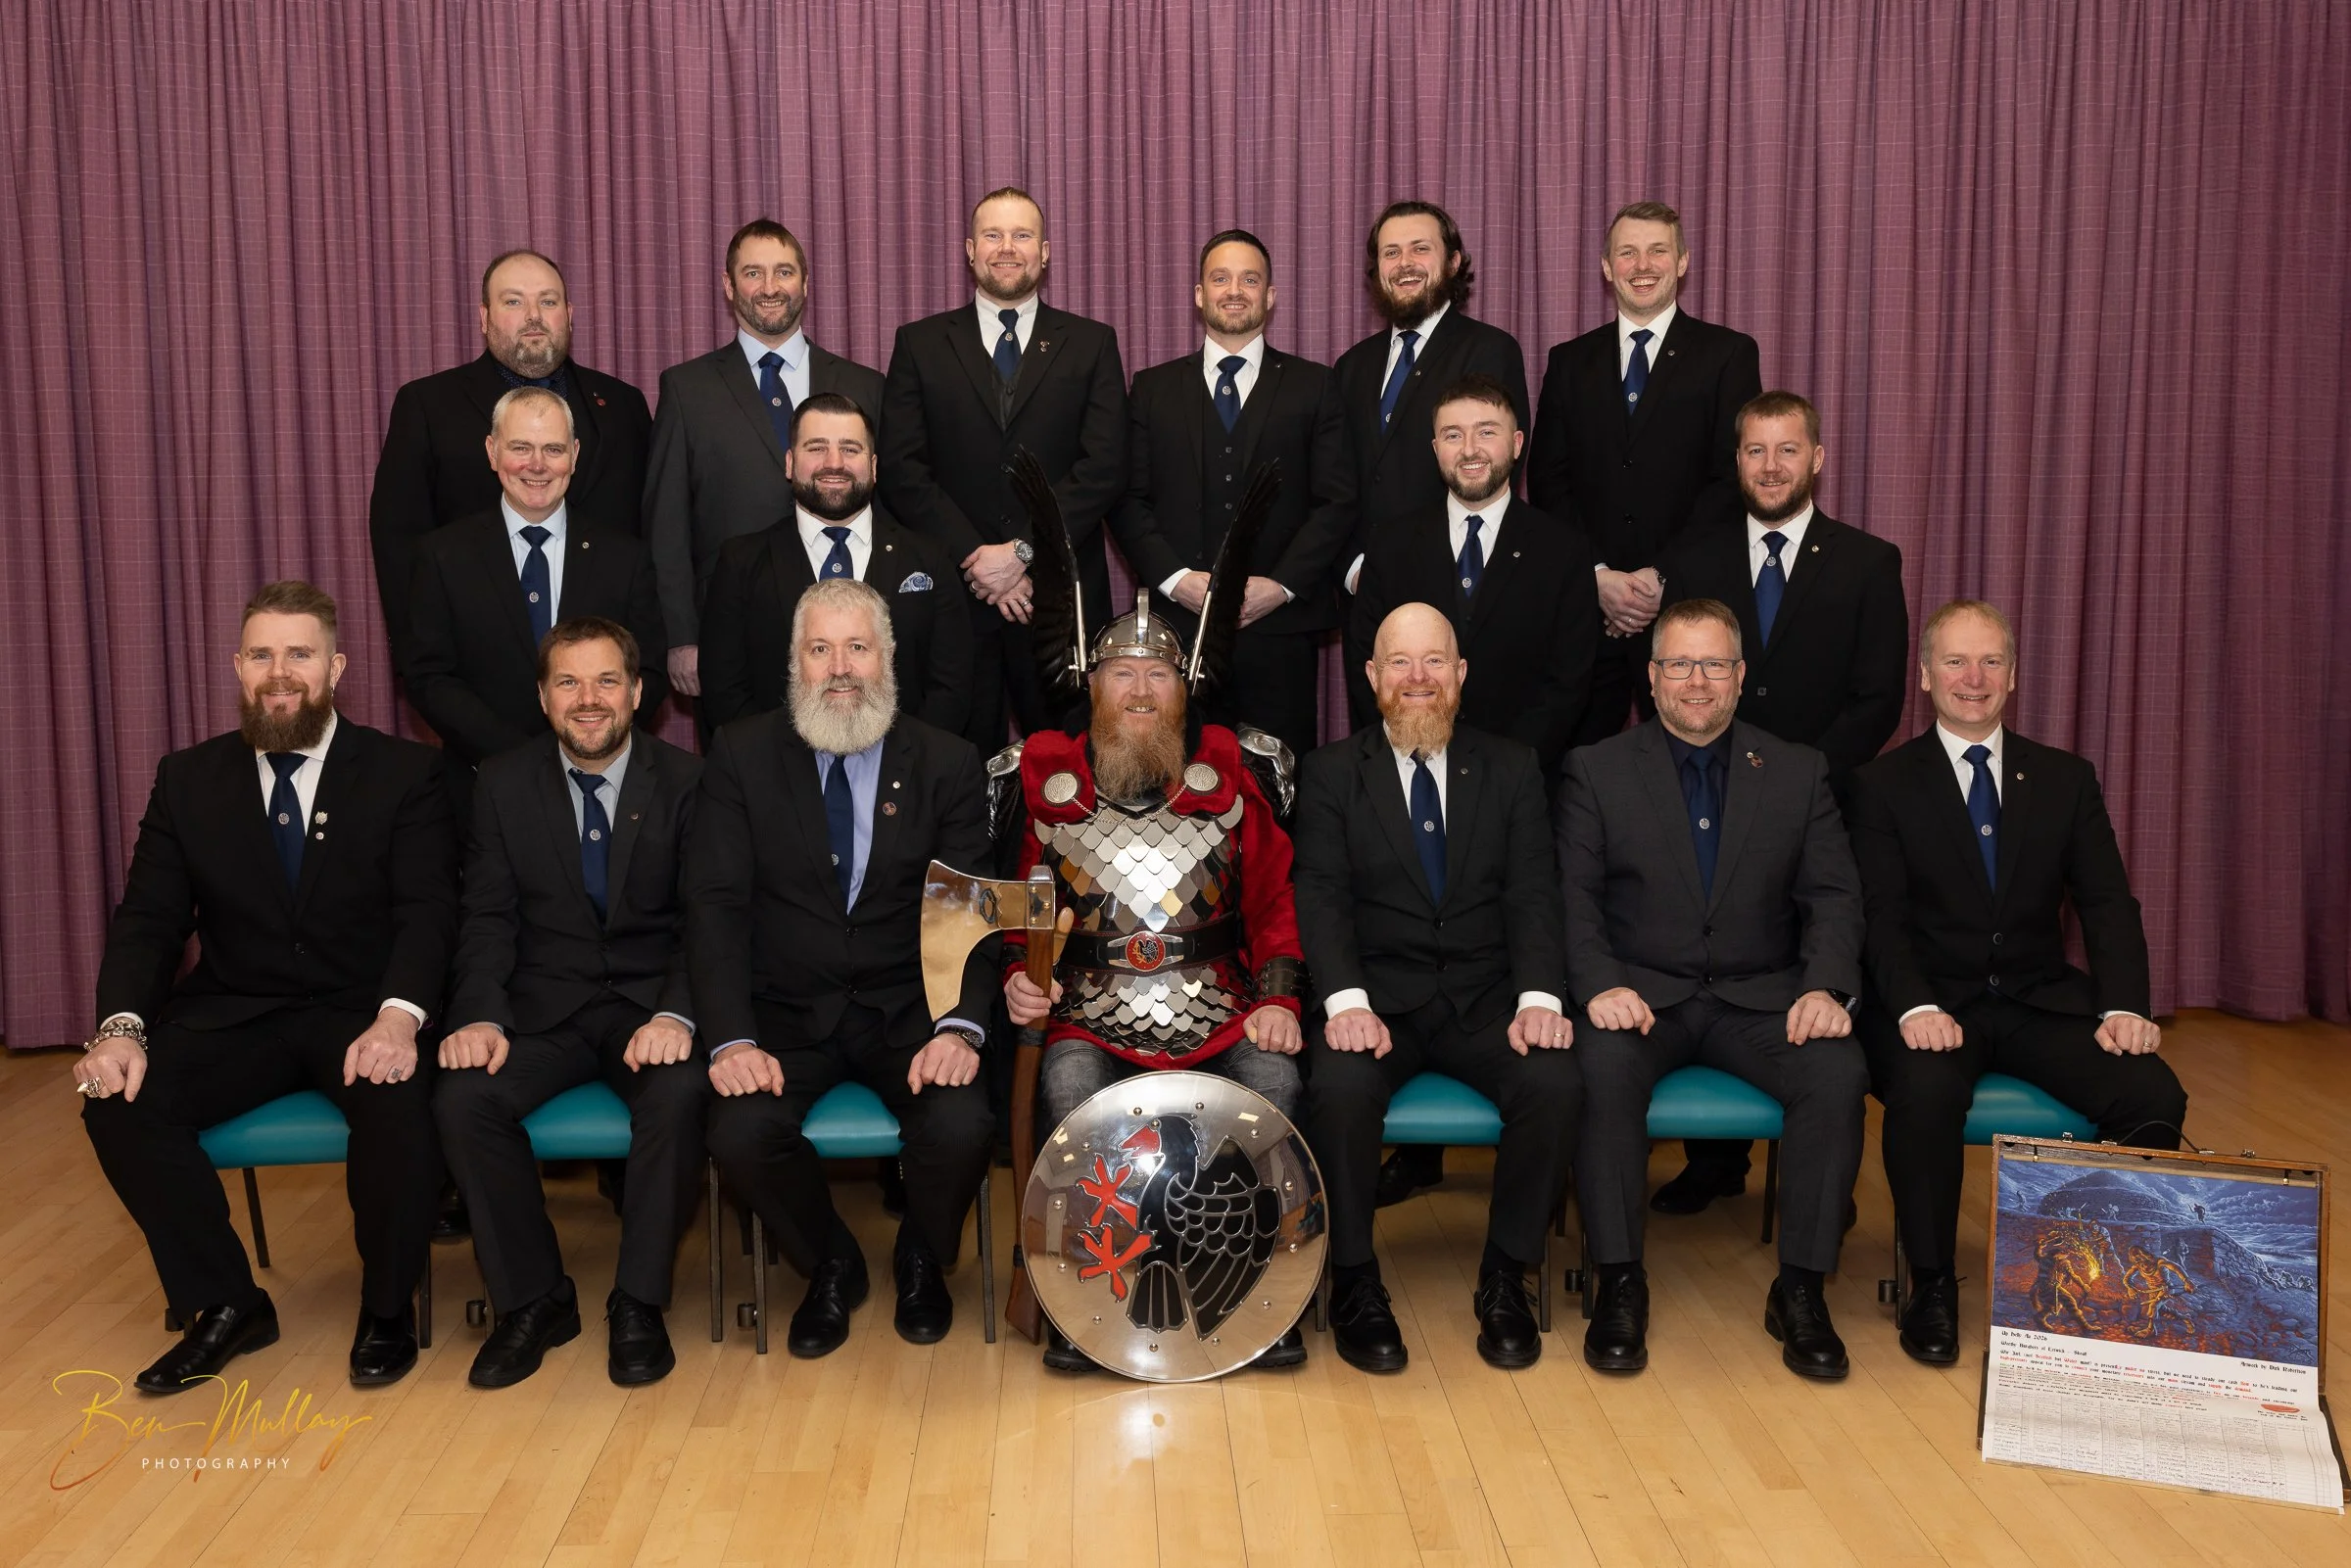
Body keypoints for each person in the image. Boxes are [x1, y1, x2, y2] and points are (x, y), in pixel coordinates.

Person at [75, 581, 456, 1394]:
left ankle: (388, 1305)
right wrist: (120, 1028)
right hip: (236, 1011)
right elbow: (148, 920)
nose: (279, 672)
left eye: (299, 654)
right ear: (238, 667)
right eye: (261, 655)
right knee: (117, 1101)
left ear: (336, 668)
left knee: (398, 1098)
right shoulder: (188, 779)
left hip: (362, 1009)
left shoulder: (405, 772)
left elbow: (428, 913)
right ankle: (227, 1302)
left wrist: (398, 1018)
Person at [1849, 599, 2186, 1365]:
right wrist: (1913, 1003)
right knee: (1925, 1093)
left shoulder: (2066, 778)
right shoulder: (1880, 784)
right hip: (1932, 1002)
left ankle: (2112, 1280)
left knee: (2152, 1092)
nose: (1973, 678)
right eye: (1956, 661)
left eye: (1991, 661)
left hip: (2038, 998)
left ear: (2014, 675)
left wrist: (2125, 1004)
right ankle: (1932, 1281)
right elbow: (1879, 915)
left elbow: (2107, 901)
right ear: (1926, 677)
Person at [997, 593, 1310, 1371]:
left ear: (1185, 686)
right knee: (1069, 1087)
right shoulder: (1043, 779)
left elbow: (1274, 902)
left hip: (1219, 1003)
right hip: (1088, 1008)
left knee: (1274, 1078)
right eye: (1122, 673)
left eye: (1158, 674)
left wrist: (1278, 999)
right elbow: (1018, 914)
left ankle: (1262, 1294)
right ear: (1092, 685)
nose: (1140, 690)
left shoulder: (1234, 773)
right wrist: (1018, 979)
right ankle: (1088, 1304)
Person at [1560, 597, 1868, 1381]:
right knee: (1598, 1069)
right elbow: (1572, 900)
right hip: (1641, 999)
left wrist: (1827, 987)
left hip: (1762, 999)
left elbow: (1834, 897)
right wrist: (1598, 984)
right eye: (1679, 664)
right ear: (1652, 676)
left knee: (1836, 1071)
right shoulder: (1597, 769)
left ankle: (1801, 1288)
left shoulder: (1796, 770)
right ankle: (1618, 1279)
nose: (1696, 681)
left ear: (1739, 675)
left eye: (1714, 665)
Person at [690, 579, 996, 1356]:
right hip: (785, 1013)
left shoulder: (948, 761)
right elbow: (716, 908)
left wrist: (960, 1027)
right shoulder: (741, 754)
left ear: (886, 657)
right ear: (794, 661)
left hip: (910, 1008)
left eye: (857, 647)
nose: (839, 667)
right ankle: (829, 1258)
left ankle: (922, 1252)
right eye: (820, 648)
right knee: (740, 1130)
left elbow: (969, 913)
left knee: (963, 1123)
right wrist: (731, 1039)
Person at [1294, 603, 1578, 1373]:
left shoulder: (1512, 767)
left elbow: (1533, 893)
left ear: (1460, 673)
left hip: (1486, 1002)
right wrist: (1345, 1002)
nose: (1417, 677)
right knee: (1340, 1089)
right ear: (1371, 675)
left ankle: (1506, 1273)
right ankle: (1354, 1278)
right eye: (1400, 661)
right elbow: (1320, 894)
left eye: (1434, 661)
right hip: (1377, 1004)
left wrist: (1539, 999)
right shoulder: (1329, 773)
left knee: (1554, 1081)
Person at [1647, 390, 1907, 1216]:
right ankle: (1717, 1163)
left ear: (1816, 458)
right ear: (1737, 461)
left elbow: (1879, 696)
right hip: (1704, 798)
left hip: (1822, 800)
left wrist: (1797, 780)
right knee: (1719, 964)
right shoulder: (1694, 557)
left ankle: (1820, 1171)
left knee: (1813, 971)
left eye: (1787, 449)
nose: (1771, 466)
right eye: (1755, 450)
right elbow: (1680, 680)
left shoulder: (1869, 562)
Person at [432, 616, 709, 1389]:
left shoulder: (689, 782)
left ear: (639, 692)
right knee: (463, 1097)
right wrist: (479, 1013)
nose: (589, 699)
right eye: (568, 682)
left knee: (681, 1091)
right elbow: (487, 916)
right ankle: (534, 1299)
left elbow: (707, 920)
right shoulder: (502, 783)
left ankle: (639, 1299)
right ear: (543, 698)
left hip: (647, 1010)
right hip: (542, 1009)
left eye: (606, 680)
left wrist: (677, 1013)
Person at [881, 186, 1128, 748]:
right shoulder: (919, 343)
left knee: (1070, 770)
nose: (1007, 248)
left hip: (1058, 604)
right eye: (993, 235)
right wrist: (976, 559)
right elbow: (901, 469)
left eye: (1022, 235)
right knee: (955, 766)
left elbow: (1104, 468)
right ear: (970, 250)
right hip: (953, 598)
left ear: (1045, 251)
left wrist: (1021, 552)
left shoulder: (1091, 343)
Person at [1109, 228, 1356, 762]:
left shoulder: (1315, 386)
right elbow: (1126, 499)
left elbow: (1336, 502)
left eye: (1250, 279)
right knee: (1173, 780)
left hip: (1280, 631)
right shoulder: (1152, 388)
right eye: (1220, 279)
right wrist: (1176, 581)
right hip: (1176, 633)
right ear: (1199, 295)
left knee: (1279, 782)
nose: (1235, 291)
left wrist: (1281, 586)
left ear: (1270, 295)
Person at [1523, 202, 1762, 747]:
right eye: (1627, 253)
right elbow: (1549, 479)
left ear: (1683, 261)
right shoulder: (1569, 361)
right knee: (1576, 766)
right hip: (1589, 612)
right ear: (1607, 267)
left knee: (1694, 761)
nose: (1643, 265)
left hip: (1690, 610)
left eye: (1658, 250)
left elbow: (1733, 479)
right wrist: (1598, 575)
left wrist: (1660, 577)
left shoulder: (1728, 354)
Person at [642, 219, 887, 710]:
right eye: (753, 273)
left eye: (784, 272)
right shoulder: (686, 389)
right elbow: (666, 523)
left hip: (850, 635)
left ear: (805, 283)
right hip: (730, 632)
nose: (770, 287)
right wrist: (682, 636)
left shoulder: (866, 385)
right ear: (729, 285)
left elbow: (888, 507)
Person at [371, 250, 652, 676]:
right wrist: (421, 663)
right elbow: (397, 540)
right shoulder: (428, 406)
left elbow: (651, 530)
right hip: (473, 673)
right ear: (484, 317)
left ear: (569, 315)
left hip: (604, 672)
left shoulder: (623, 405)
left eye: (548, 301)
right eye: (514, 301)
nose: (533, 316)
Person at [1346, 374, 1601, 784]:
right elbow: (1366, 665)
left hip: (1521, 781)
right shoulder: (1391, 545)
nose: (1469, 450)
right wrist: (1412, 757)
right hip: (1409, 775)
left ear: (1516, 444)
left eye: (1486, 432)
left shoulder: (1564, 551)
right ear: (1435, 449)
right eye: (1453, 435)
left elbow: (1569, 682)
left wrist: (1506, 770)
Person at [404, 387, 671, 776]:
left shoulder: (625, 558)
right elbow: (429, 677)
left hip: (600, 773)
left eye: (553, 449)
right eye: (521, 448)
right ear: (492, 452)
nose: (537, 465)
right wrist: (521, 759)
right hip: (483, 777)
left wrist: (586, 746)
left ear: (574, 455)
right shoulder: (441, 556)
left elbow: (649, 671)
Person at [696, 393, 971, 735]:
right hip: (774, 763)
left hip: (907, 762)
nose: (835, 463)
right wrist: (781, 762)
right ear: (789, 463)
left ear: (873, 466)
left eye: (850, 449)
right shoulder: (740, 564)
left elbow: (952, 687)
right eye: (816, 448)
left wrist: (899, 762)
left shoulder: (930, 560)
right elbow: (724, 691)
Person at [1329, 201, 1528, 588]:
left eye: (1420, 248)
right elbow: (1333, 478)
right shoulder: (1351, 366)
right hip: (1362, 589)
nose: (1405, 263)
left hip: (1452, 583)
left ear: (1453, 262)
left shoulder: (1490, 350)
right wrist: (1353, 569)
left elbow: (1492, 472)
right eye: (1391, 253)